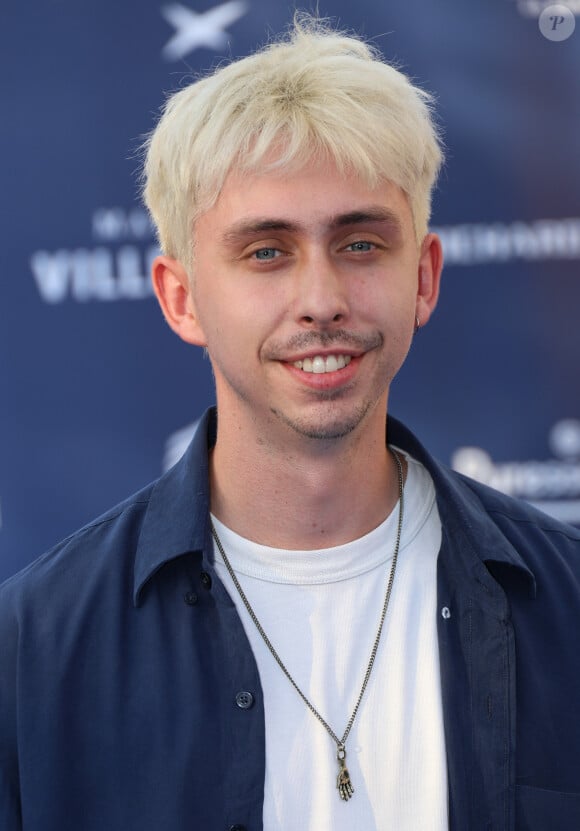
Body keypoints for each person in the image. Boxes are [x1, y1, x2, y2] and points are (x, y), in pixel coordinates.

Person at [1, 14, 580, 831]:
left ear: (423, 277)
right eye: (267, 251)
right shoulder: (33, 652)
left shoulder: (568, 607)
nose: (321, 301)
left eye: (360, 243)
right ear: (180, 296)